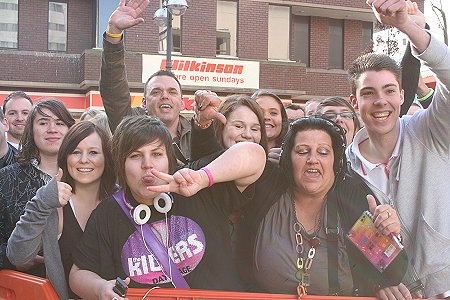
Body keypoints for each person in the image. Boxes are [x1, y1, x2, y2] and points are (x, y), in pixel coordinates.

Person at [189, 111, 409, 298]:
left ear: (336, 161)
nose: (313, 159)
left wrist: (387, 235)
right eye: (302, 151)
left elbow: (393, 273)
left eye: (323, 152)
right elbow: (216, 177)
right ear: (287, 159)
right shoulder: (269, 187)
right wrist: (202, 129)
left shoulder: (349, 197)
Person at [69, 115, 266, 298]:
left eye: (157, 154)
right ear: (121, 164)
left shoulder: (193, 183)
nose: (148, 164)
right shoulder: (108, 213)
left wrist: (203, 178)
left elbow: (255, 155)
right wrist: (101, 288)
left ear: (169, 158)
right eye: (136, 156)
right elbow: (78, 274)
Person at [347, 0, 450, 297]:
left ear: (402, 95)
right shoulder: (343, 169)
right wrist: (377, 282)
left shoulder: (433, 132)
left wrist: (406, 26)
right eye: (369, 93)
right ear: (355, 103)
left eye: (389, 91)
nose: (381, 101)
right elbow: (347, 243)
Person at [7, 121, 116, 299]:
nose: (84, 160)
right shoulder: (51, 202)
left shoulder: (121, 201)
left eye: (93, 152)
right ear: (65, 157)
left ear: (107, 158)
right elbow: (17, 256)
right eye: (76, 152)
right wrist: (42, 202)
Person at [100, 0, 191, 163]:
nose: (165, 96)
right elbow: (114, 90)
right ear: (144, 103)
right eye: (156, 92)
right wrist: (113, 33)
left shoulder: (199, 134)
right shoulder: (130, 127)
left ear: (183, 103)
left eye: (172, 92)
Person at [0, 99, 74, 273]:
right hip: (23, 284)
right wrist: (12, 258)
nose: (52, 129)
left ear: (70, 129)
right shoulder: (6, 178)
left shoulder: (84, 175)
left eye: (59, 123)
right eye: (43, 122)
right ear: (31, 130)